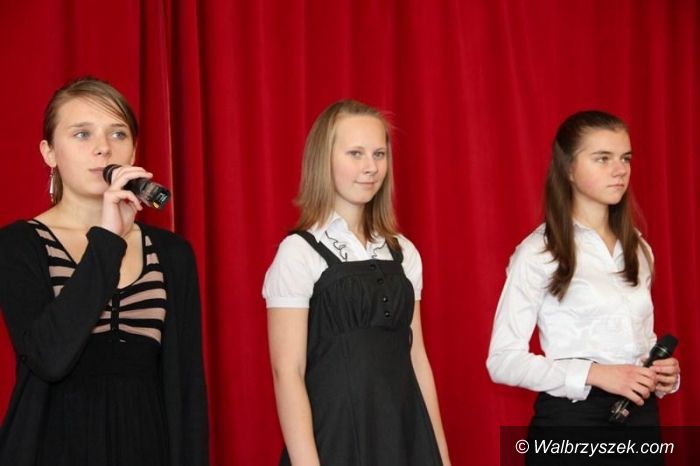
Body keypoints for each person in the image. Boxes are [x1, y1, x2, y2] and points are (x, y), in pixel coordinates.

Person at [0, 77, 209, 466]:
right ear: (49, 152)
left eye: (118, 133)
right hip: (51, 449)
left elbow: (187, 391)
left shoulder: (172, 254)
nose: (103, 148)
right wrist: (108, 241)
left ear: (133, 149)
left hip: (147, 448)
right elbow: (48, 357)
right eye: (82, 134)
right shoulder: (18, 245)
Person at [486, 110, 680, 464]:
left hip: (640, 422)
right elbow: (502, 360)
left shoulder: (639, 248)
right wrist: (595, 373)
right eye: (602, 158)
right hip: (571, 426)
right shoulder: (538, 252)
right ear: (569, 169)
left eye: (625, 158)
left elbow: (641, 339)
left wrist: (662, 374)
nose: (620, 170)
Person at [263, 100, 450, 465]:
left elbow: (417, 359)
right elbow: (287, 373)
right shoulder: (298, 252)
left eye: (379, 154)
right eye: (356, 153)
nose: (371, 167)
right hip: (334, 442)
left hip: (404, 439)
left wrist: (440, 456)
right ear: (324, 160)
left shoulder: (404, 252)